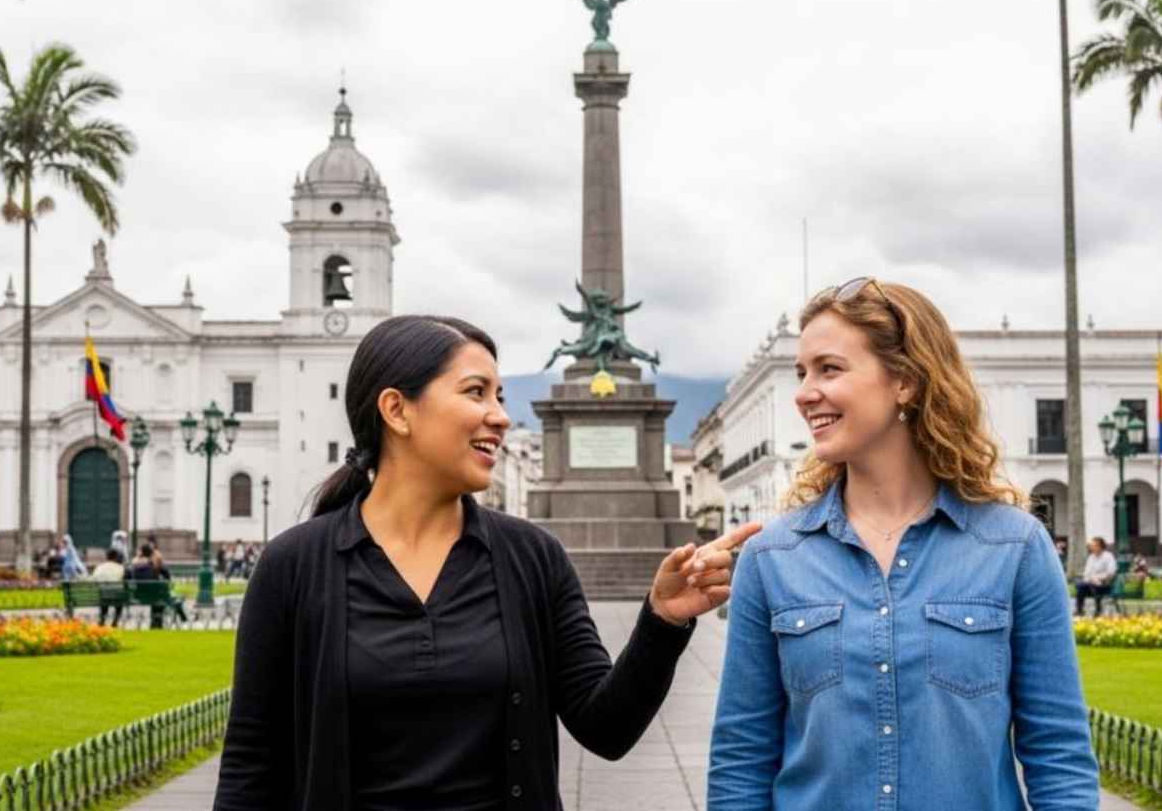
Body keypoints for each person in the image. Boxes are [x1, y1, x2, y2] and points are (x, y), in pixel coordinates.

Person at [214, 315, 759, 810]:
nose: (499, 417)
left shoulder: (532, 557)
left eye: (499, 395)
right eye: (476, 392)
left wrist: (663, 620)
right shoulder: (293, 566)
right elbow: (249, 767)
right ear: (396, 410)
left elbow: (606, 727)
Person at [708, 278, 1098, 809]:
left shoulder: (1014, 547)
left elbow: (1058, 754)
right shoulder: (773, 558)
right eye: (802, 373)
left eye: (829, 368)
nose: (803, 393)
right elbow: (741, 760)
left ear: (906, 381)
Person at [1076, 537, 1118, 617]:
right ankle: (1079, 610)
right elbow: (1086, 573)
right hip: (1091, 583)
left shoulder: (1108, 556)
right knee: (1080, 585)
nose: (1091, 547)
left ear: (1100, 546)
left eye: (1094, 545)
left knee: (1094, 586)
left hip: (1105, 584)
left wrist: (1098, 578)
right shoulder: (1091, 557)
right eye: (1091, 545)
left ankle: (1098, 610)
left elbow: (1111, 572)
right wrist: (1090, 579)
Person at [90, 548, 128, 626]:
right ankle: (115, 621)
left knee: (104, 596)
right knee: (118, 600)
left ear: (106, 556)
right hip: (116, 595)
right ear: (116, 557)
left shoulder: (99, 567)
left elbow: (94, 580)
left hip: (103, 595)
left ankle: (102, 620)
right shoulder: (120, 567)